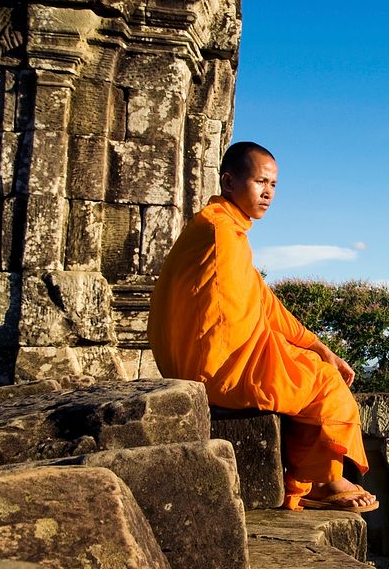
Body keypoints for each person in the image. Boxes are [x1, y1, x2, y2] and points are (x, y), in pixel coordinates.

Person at [147, 141, 377, 513]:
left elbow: (262, 303)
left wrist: (319, 347)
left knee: (313, 366)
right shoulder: (219, 232)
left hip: (200, 360)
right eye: (259, 181)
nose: (268, 192)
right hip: (216, 368)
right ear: (229, 181)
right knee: (326, 384)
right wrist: (310, 356)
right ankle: (321, 483)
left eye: (273, 184)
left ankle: (309, 476)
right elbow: (237, 314)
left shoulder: (223, 228)